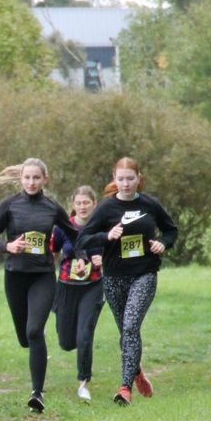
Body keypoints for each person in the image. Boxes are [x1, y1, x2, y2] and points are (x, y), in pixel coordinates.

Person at [76, 157, 178, 406]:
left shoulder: (150, 204)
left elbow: (171, 230)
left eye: (130, 179)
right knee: (126, 331)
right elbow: (83, 238)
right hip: (114, 276)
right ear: (114, 179)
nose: (125, 184)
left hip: (144, 273)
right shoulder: (106, 207)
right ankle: (137, 371)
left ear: (138, 179)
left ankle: (124, 389)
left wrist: (163, 243)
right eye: (121, 179)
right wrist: (106, 236)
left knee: (131, 326)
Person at [0, 158, 78, 413]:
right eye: (27, 178)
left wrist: (83, 256)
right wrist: (8, 246)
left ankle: (37, 393)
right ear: (21, 178)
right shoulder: (8, 205)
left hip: (43, 276)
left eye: (36, 178)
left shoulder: (52, 207)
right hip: (15, 276)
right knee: (24, 337)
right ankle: (34, 349)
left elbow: (74, 235)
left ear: (44, 179)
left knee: (34, 330)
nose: (31, 182)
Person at [50, 186, 104, 402]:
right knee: (65, 341)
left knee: (84, 335)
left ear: (94, 204)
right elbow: (52, 252)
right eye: (79, 203)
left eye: (86, 203)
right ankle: (79, 345)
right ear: (73, 205)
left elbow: (113, 253)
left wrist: (103, 259)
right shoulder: (62, 228)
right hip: (66, 286)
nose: (83, 207)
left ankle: (83, 382)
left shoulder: (103, 227)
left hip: (93, 286)